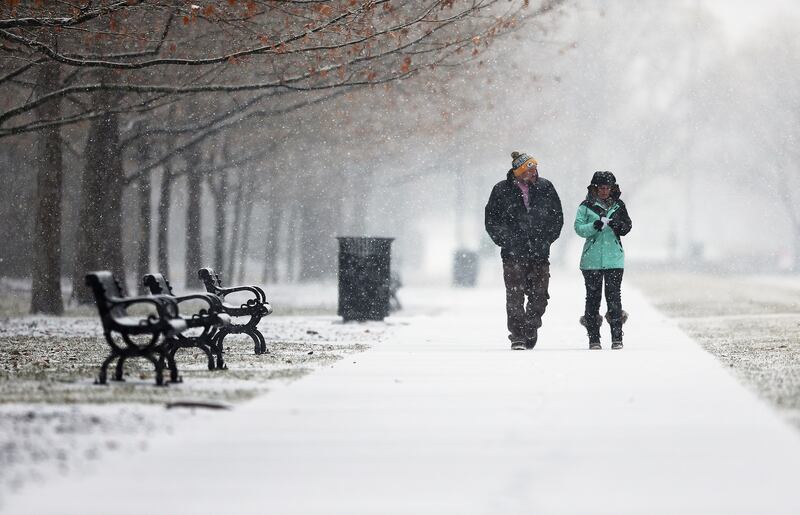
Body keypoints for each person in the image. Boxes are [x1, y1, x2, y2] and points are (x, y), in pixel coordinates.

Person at [485, 152, 564, 350]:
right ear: (519, 171)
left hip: (539, 252)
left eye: (535, 168)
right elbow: (491, 220)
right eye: (529, 169)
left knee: (540, 296)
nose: (534, 173)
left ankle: (531, 325)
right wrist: (507, 240)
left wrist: (546, 239)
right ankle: (517, 335)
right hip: (513, 254)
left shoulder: (546, 187)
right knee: (515, 296)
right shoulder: (501, 190)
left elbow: (557, 217)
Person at [573, 171, 632, 350]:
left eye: (607, 188)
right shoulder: (585, 206)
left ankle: (616, 336)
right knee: (593, 298)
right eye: (601, 188)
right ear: (595, 188)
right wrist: (594, 226)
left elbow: (627, 226)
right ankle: (594, 338)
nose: (604, 191)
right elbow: (578, 228)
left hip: (614, 259)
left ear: (613, 188)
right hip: (591, 261)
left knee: (614, 297)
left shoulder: (619, 206)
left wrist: (616, 224)